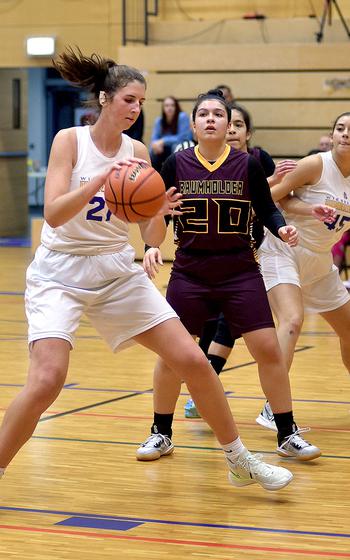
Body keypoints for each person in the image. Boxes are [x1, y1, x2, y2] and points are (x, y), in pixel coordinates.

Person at [0, 49, 294, 493]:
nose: (137, 110)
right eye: (129, 100)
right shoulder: (69, 141)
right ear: (104, 99)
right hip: (60, 272)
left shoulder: (137, 151)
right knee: (46, 380)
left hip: (116, 270)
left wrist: (158, 209)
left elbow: (148, 227)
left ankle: (239, 459)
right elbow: (56, 214)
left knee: (194, 361)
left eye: (141, 102)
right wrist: (101, 180)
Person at [137, 89, 320, 464]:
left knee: (267, 348)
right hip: (190, 272)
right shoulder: (175, 164)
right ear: (193, 124)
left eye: (217, 114)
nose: (210, 119)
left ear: (228, 123)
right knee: (173, 355)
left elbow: (268, 208)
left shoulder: (247, 165)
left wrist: (281, 228)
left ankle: (287, 432)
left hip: (240, 271)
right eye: (202, 114)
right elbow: (158, 217)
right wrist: (153, 244)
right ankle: (161, 432)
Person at [185, 103, 296, 418]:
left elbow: (270, 200)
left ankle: (205, 391)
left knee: (229, 326)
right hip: (212, 258)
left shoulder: (257, 161)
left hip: (253, 253)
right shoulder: (205, 162)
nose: (231, 129)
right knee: (218, 327)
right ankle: (203, 391)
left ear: (248, 132)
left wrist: (274, 182)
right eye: (228, 123)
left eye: (238, 125)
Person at [256, 111, 350, 430]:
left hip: (321, 262)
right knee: (292, 321)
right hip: (285, 249)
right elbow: (271, 199)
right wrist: (311, 209)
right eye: (340, 128)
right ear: (332, 134)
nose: (345, 134)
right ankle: (273, 407)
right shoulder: (316, 165)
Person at [150, 96, 192, 171]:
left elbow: (182, 138)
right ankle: (155, 177)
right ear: (163, 108)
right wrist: (155, 146)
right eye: (166, 105)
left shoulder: (182, 117)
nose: (170, 108)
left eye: (172, 105)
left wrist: (163, 141)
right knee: (153, 151)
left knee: (175, 147)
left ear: (176, 107)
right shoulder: (159, 120)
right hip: (164, 149)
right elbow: (154, 140)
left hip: (181, 146)